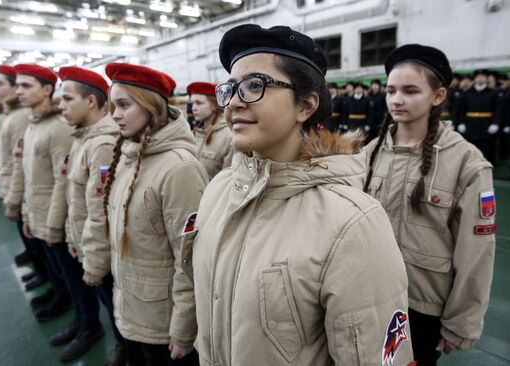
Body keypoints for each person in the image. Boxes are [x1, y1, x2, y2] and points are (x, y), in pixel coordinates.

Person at [190, 24, 413, 366]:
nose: (234, 102)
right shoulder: (219, 190)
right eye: (230, 88)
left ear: (306, 105)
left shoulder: (352, 223)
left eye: (254, 85)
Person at [363, 44, 496, 365]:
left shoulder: (466, 163)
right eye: (391, 90)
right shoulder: (370, 153)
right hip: (368, 297)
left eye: (410, 91)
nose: (396, 99)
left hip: (422, 307)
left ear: (437, 96)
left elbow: (476, 253)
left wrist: (460, 324)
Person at [104, 62, 207, 366]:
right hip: (134, 307)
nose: (114, 114)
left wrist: (183, 330)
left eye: (124, 104)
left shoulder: (180, 169)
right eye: (113, 105)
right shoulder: (131, 155)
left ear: (151, 107)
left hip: (163, 322)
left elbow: (189, 259)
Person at [57, 66, 127, 365]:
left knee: (116, 309)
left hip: (103, 252)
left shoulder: (102, 145)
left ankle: (125, 349)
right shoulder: (82, 139)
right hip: (88, 244)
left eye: (67, 99)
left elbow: (100, 211)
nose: (61, 106)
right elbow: (80, 202)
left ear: (90, 102)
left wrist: (94, 259)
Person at [14, 64, 75, 328]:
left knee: (71, 276)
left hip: (55, 218)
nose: (19, 91)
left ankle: (87, 325)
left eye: (26, 86)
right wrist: (27, 212)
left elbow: (62, 183)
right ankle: (60, 296)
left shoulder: (57, 128)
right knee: (57, 271)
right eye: (17, 85)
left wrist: (53, 225)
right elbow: (29, 176)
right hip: (38, 212)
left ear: (48, 90)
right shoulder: (32, 126)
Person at [187, 81, 234, 178]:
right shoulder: (196, 132)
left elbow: (228, 181)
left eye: (199, 103)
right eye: (192, 103)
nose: (193, 108)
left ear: (215, 105)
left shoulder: (229, 136)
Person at [457, 69, 501, 163]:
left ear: (486, 79)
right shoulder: (467, 93)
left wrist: (495, 123)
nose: (480, 78)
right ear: (475, 79)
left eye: (483, 76)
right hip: (470, 126)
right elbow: (462, 110)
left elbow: (497, 110)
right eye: (478, 76)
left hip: (486, 126)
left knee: (486, 152)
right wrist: (461, 123)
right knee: (471, 150)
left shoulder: (493, 94)